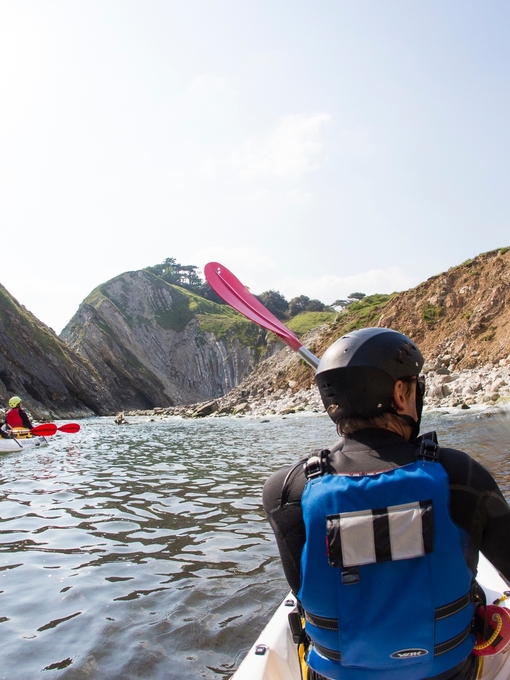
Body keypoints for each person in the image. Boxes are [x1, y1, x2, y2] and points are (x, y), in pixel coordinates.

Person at [263, 327, 510, 680]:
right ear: (399, 393)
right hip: (448, 671)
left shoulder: (286, 490)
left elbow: (301, 588)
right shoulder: (461, 475)